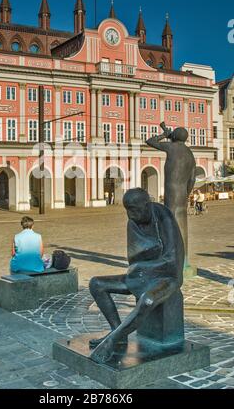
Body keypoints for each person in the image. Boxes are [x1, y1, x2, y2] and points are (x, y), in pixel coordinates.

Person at [89, 188, 184, 364]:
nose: (130, 214)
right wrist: (146, 260)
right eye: (127, 209)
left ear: (146, 205)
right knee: (96, 284)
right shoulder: (132, 222)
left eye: (133, 209)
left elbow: (172, 260)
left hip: (167, 278)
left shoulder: (164, 218)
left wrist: (144, 263)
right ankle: (118, 332)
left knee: (147, 300)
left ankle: (111, 341)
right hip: (141, 276)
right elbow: (133, 256)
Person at [146, 123, 196, 263]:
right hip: (182, 193)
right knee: (182, 224)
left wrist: (164, 135)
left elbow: (150, 141)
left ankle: (172, 259)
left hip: (171, 192)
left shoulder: (171, 147)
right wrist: (186, 193)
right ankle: (184, 259)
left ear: (174, 136)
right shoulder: (189, 153)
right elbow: (192, 179)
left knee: (170, 222)